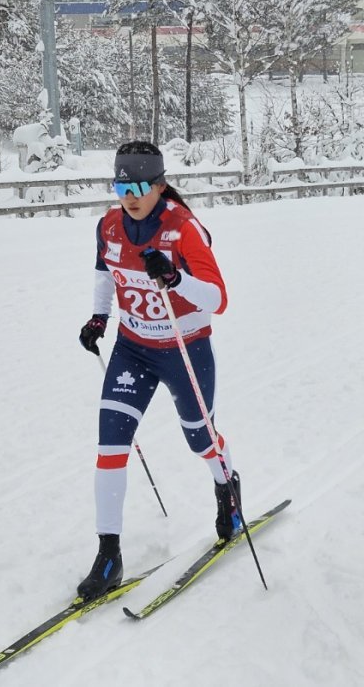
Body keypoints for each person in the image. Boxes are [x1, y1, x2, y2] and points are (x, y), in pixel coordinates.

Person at [74, 141, 240, 601]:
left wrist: (174, 277)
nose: (129, 194)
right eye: (121, 184)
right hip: (133, 348)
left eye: (139, 185)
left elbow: (218, 299)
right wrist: (99, 317)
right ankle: (108, 554)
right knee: (110, 447)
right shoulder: (109, 225)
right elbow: (106, 271)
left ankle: (227, 485)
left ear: (160, 185)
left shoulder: (183, 229)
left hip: (185, 347)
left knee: (200, 439)